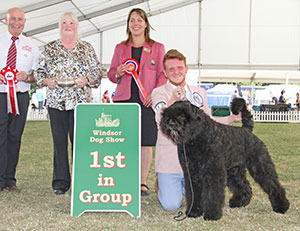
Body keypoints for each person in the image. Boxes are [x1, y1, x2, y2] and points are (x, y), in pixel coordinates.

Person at [152, 49, 241, 210]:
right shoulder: (158, 93)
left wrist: (231, 118)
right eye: (171, 69)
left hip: (198, 160)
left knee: (202, 196)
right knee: (171, 205)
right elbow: (160, 117)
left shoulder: (199, 93)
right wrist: (172, 100)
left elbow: (210, 122)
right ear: (165, 72)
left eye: (179, 68)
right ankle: (162, 182)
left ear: (186, 69)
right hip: (170, 161)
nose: (176, 72)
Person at [34, 12, 102, 195]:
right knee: (59, 143)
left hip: (81, 104)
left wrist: (87, 79)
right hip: (57, 103)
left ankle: (83, 178)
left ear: (77, 26)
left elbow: (97, 74)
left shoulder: (87, 48)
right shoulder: (49, 48)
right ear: (59, 25)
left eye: (71, 22)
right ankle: (61, 182)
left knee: (80, 143)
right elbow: (38, 74)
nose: (68, 25)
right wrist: (46, 81)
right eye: (64, 22)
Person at [108, 8, 167, 196]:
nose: (136, 23)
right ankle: (124, 178)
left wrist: (154, 94)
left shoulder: (157, 47)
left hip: (147, 102)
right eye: (132, 20)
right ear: (128, 24)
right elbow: (110, 74)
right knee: (123, 142)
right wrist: (118, 72)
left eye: (139, 20)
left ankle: (142, 182)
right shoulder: (120, 48)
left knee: (145, 143)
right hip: (124, 100)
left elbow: (162, 75)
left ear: (146, 24)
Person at [0, 8, 40, 193]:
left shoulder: (31, 46)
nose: (16, 22)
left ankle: (9, 179)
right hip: (0, 94)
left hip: (21, 95)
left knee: (15, 137)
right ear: (6, 20)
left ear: (25, 22)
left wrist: (28, 77)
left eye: (20, 19)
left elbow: (37, 76)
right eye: (13, 19)